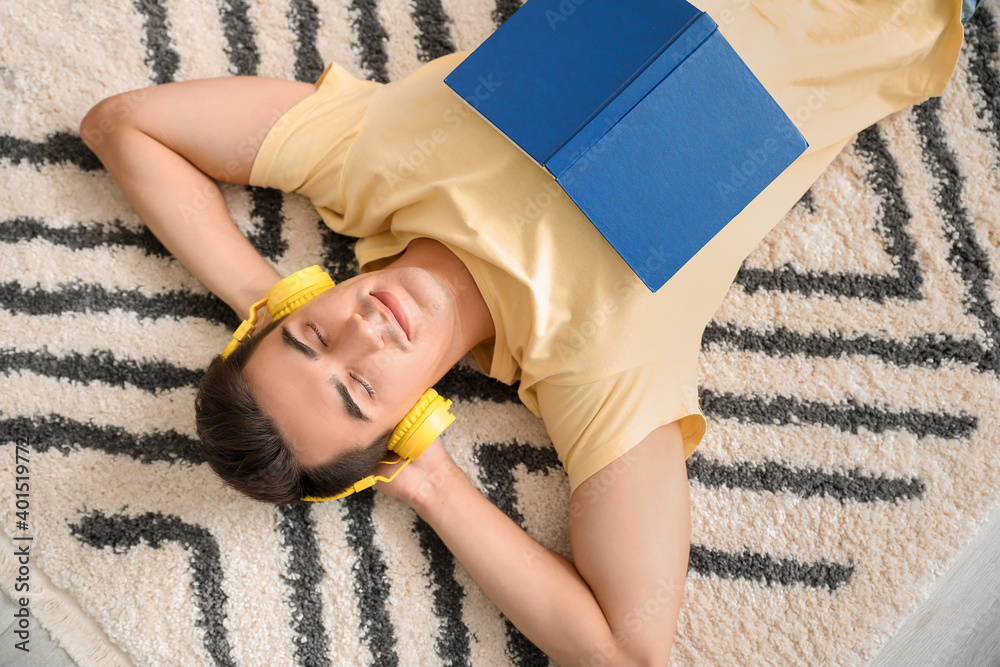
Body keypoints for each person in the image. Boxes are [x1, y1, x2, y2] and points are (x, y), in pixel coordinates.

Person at [79, 1, 967, 663]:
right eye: (358, 390)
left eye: (310, 337)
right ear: (407, 420)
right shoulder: (596, 366)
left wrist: (257, 294)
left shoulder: (362, 160)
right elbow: (627, 652)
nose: (363, 333)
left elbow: (123, 125)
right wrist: (433, 487)